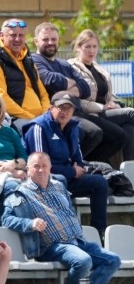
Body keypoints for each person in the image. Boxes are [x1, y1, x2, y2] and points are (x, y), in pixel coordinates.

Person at [2, 152, 120, 284]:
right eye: (36, 166)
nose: (41, 170)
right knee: (83, 261)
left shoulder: (59, 186)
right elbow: (6, 219)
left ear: (50, 168)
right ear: (28, 170)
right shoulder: (20, 193)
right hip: (51, 246)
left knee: (113, 260)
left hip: (77, 241)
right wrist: (30, 223)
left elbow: (69, 209)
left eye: (44, 166)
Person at [23, 91, 110, 240]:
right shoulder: (38, 128)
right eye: (61, 108)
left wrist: (77, 168)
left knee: (100, 183)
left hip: (67, 177)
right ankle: (69, 231)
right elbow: (40, 167)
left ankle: (99, 232)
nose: (65, 112)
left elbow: (78, 157)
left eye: (69, 108)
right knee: (60, 180)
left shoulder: (73, 127)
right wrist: (71, 171)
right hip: (44, 182)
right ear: (51, 108)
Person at [33, 22, 111, 162]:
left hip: (78, 111)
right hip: (59, 113)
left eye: (54, 39)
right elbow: (50, 80)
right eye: (45, 39)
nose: (50, 42)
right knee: (94, 132)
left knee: (118, 136)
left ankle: (88, 165)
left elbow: (85, 88)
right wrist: (72, 84)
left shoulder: (64, 64)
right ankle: (71, 164)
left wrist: (63, 88)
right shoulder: (34, 60)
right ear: (36, 41)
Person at [69, 29, 134, 161]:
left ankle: (129, 168)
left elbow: (106, 93)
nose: (91, 51)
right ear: (79, 47)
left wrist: (114, 103)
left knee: (129, 129)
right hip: (91, 113)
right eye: (87, 47)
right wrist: (101, 107)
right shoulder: (71, 67)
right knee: (130, 113)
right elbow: (75, 99)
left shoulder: (98, 68)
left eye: (94, 46)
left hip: (106, 112)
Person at [0, 18, 49, 131]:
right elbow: (0, 99)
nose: (17, 39)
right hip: (11, 119)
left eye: (21, 35)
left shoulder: (27, 59)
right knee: (38, 133)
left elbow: (43, 93)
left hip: (37, 118)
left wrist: (46, 115)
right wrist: (32, 118)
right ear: (2, 36)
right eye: (13, 35)